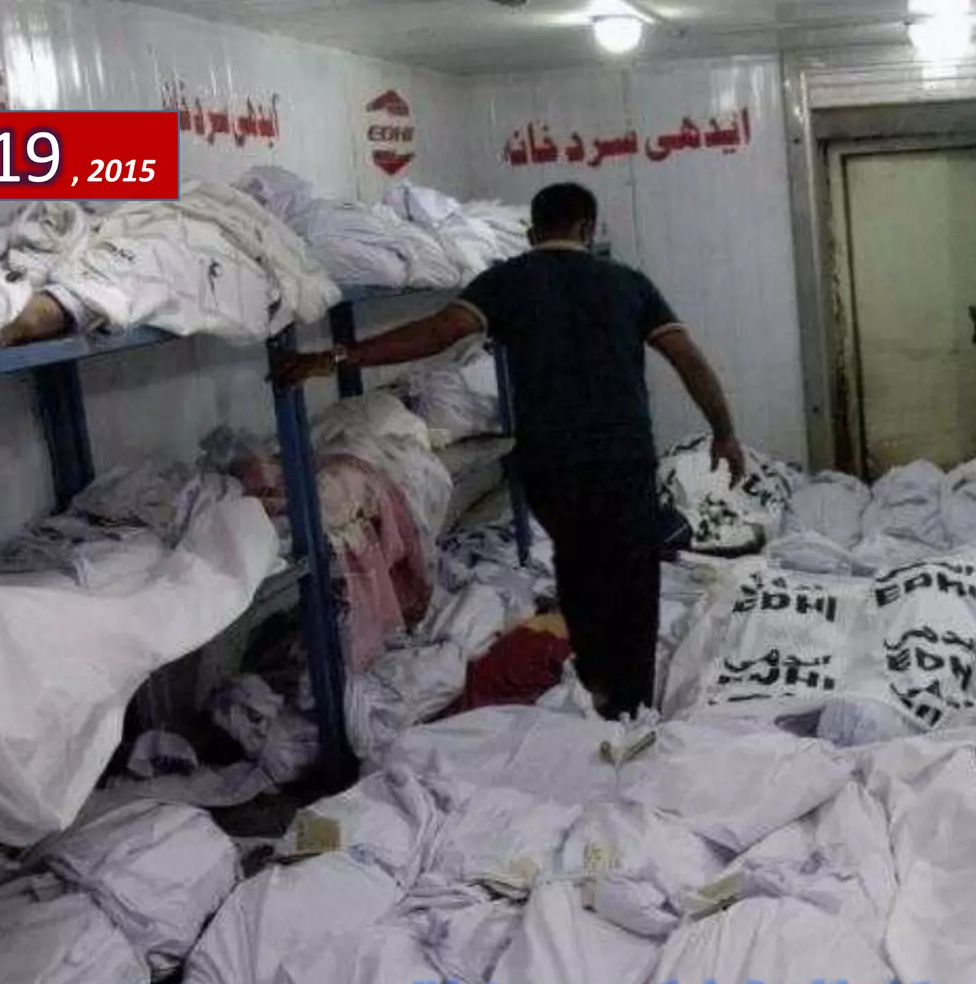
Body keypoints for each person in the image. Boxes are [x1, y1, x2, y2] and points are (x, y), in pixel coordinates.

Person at [275, 181, 745, 719]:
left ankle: (595, 686)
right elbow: (687, 357)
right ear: (587, 229)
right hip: (622, 459)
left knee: (579, 567)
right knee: (632, 576)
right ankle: (630, 704)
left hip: (551, 466)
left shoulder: (505, 281)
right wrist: (724, 431)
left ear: (531, 231)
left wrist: (334, 358)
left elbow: (435, 334)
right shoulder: (628, 283)